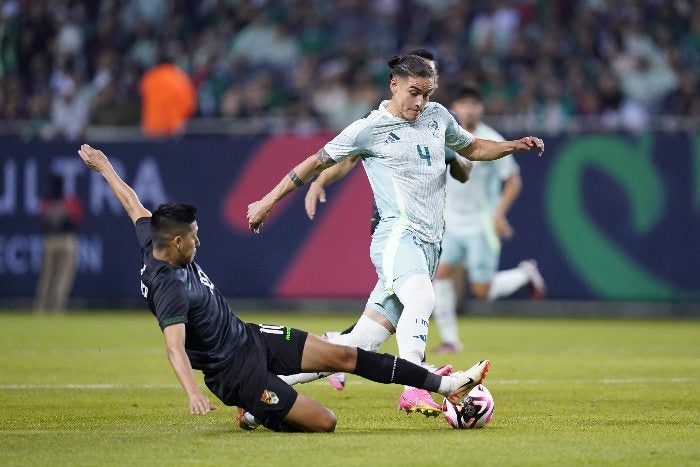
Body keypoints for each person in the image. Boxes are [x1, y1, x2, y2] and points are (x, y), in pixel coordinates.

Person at [76, 143, 489, 433]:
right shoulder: (168, 286)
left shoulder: (154, 238)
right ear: (178, 242)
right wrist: (192, 394)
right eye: (195, 238)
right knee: (325, 423)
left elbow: (132, 203)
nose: (199, 243)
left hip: (250, 336)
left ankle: (445, 386)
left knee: (347, 354)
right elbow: (173, 347)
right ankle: (257, 411)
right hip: (234, 375)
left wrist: (104, 167)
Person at [247, 54, 543, 417]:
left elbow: (474, 148)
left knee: (357, 345)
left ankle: (261, 391)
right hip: (397, 237)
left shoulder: (437, 117)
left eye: (427, 93)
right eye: (414, 92)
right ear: (394, 85)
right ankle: (414, 388)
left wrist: (514, 145)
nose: (420, 102)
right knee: (422, 296)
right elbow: (315, 162)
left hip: (430, 244)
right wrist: (266, 200)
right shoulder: (369, 128)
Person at [432, 85, 547, 354]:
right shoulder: (445, 136)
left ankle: (524, 274)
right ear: (455, 108)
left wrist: (498, 214)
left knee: (482, 290)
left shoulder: (491, 139)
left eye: (474, 103)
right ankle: (451, 340)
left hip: (480, 223)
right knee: (442, 275)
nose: (469, 109)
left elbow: (513, 180)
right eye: (464, 103)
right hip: (451, 222)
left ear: (481, 108)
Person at [34, 174, 83, 312]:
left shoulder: (46, 202)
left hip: (50, 240)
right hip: (67, 240)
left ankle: (41, 308)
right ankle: (57, 308)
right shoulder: (69, 201)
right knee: (63, 277)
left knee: (47, 276)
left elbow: (42, 222)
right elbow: (76, 221)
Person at [139, 55, 196, 137]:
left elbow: (143, 97)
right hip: (173, 126)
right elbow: (189, 104)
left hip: (152, 127)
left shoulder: (150, 77)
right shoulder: (179, 77)